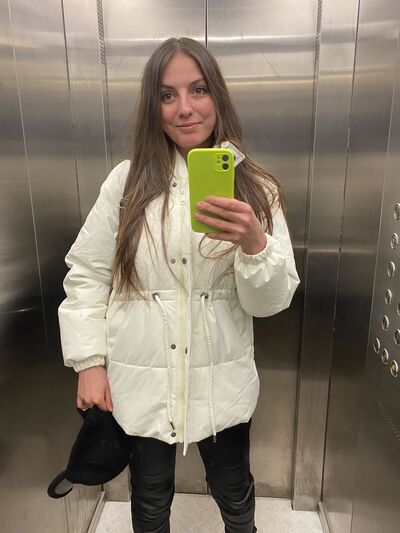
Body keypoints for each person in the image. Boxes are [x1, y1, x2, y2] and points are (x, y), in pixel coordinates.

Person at [58, 37, 300, 533]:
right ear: (154, 106)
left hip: (222, 380)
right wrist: (89, 363)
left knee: (234, 490)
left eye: (198, 90)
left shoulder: (256, 189)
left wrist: (254, 243)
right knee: (149, 497)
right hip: (142, 378)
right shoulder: (126, 184)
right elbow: (87, 274)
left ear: (218, 97)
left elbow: (270, 302)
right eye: (167, 95)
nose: (184, 108)